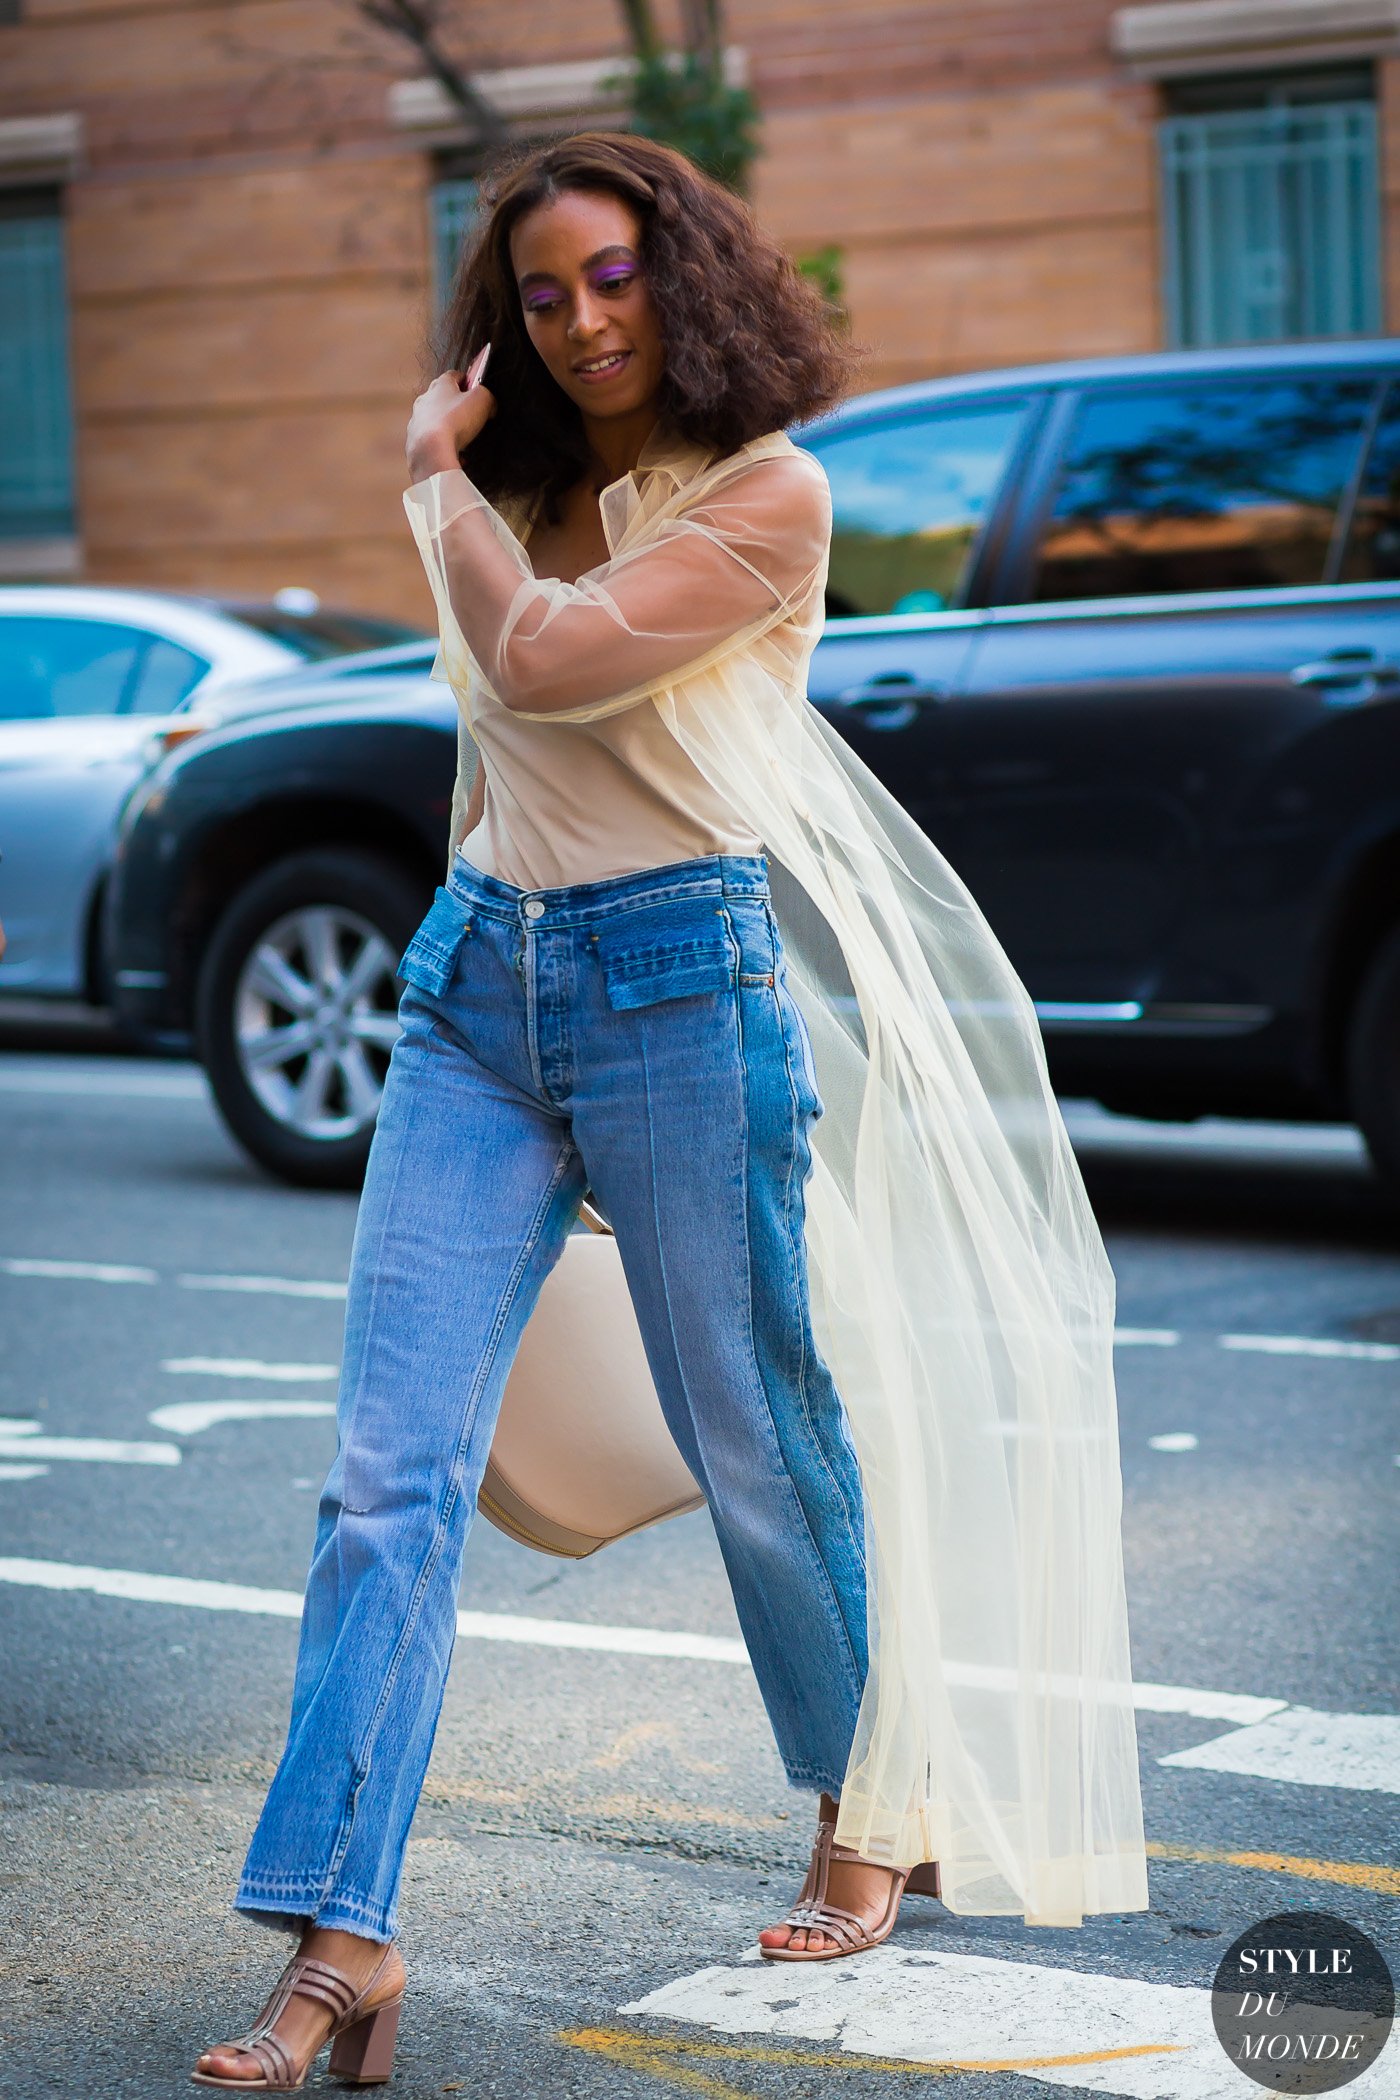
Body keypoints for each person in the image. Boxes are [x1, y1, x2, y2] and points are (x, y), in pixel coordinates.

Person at [194, 133, 1147, 2091]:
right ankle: (339, 1940)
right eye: (539, 296)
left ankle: (862, 1809)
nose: (581, 320)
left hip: (675, 991)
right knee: (386, 1480)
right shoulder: (512, 484)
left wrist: (424, 476)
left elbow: (545, 666)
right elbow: (495, 755)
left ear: (683, 271)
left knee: (760, 1435)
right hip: (473, 994)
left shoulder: (765, 499)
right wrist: (469, 501)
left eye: (611, 276)